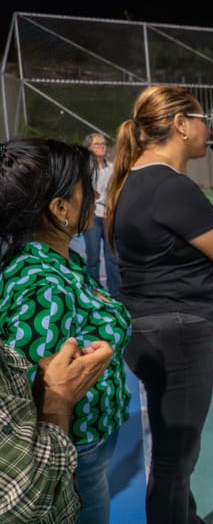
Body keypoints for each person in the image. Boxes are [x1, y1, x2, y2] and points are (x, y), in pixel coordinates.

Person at [105, 85, 213, 523]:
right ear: (181, 124)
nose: (206, 129)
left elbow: (197, 232)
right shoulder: (171, 186)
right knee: (175, 461)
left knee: (173, 454)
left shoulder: (140, 180)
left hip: (151, 327)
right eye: (202, 120)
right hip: (176, 333)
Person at [0, 138, 133, 524]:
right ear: (60, 209)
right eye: (86, 189)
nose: (95, 196)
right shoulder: (43, 285)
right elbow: (33, 395)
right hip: (75, 451)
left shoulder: (57, 260)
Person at [0, 336, 112, 523]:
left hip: (84, 428)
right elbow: (23, 499)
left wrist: (44, 391)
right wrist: (55, 400)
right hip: (66, 443)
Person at [82, 132, 121, 296]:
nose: (102, 147)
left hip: (109, 216)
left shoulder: (112, 168)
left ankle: (116, 295)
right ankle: (93, 293)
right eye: (97, 144)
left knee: (113, 258)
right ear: (89, 147)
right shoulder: (84, 169)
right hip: (92, 216)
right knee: (93, 258)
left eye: (103, 144)